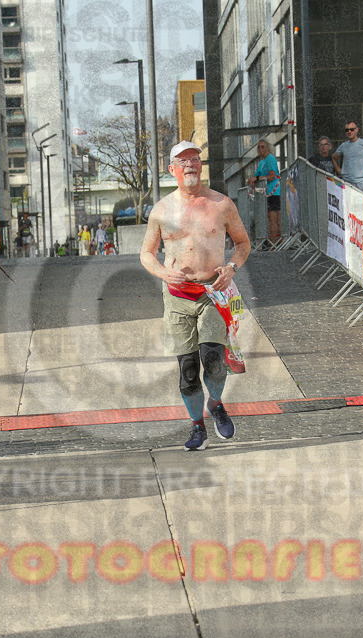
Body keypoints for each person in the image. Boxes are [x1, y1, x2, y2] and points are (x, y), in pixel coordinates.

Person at [141, 141, 250, 451]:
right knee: (188, 368)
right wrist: (162, 272)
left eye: (194, 159)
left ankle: (215, 404)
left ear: (201, 166)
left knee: (214, 362)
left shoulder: (221, 204)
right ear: (172, 169)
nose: (189, 164)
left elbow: (243, 243)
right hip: (177, 296)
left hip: (213, 292)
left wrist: (231, 266)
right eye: (182, 160)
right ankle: (197, 427)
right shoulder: (161, 209)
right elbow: (146, 253)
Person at [254, 140, 281, 244]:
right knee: (270, 219)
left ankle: (276, 243)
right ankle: (273, 243)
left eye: (262, 147)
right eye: (259, 147)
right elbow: (255, 177)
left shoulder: (271, 158)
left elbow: (272, 176)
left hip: (274, 192)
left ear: (267, 148)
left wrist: (256, 179)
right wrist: (253, 181)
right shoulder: (261, 162)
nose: (260, 149)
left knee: (274, 218)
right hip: (265, 194)